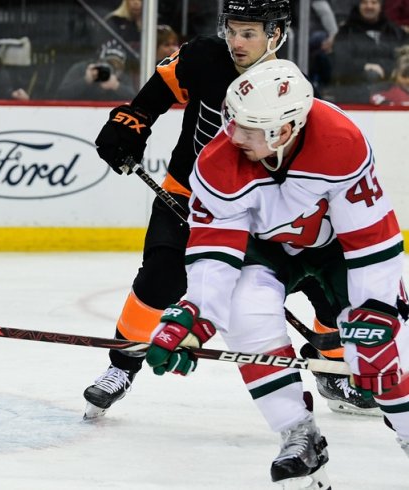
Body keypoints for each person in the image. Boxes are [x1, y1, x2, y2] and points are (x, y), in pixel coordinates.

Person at [85, 0, 378, 420]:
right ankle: (121, 366)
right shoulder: (203, 57)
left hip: (258, 209)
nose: (236, 43)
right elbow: (153, 94)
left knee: (323, 281)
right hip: (186, 194)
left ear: (276, 35)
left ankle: (331, 367)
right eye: (232, 31)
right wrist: (128, 125)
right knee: (159, 278)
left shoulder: (285, 84)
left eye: (249, 34)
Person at [144, 59, 409, 487]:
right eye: (234, 122)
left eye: (247, 128)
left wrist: (378, 308)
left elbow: (370, 236)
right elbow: (214, 251)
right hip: (266, 251)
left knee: (385, 352)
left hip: (338, 248)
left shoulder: (339, 139)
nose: (232, 135)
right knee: (245, 313)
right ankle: (297, 433)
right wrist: (197, 315)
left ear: (283, 130)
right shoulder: (217, 162)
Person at [331, 0, 405, 103]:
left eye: (374, 2)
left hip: (391, 90)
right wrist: (363, 67)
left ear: (380, 6)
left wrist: (385, 69)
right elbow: (340, 60)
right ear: (358, 6)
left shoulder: (394, 32)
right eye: (364, 3)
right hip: (353, 93)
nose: (369, 6)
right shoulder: (346, 32)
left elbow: (402, 59)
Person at [55, 41, 135, 101]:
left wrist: (117, 86)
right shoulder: (82, 69)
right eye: (108, 64)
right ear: (98, 62)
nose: (112, 69)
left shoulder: (121, 77)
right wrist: (86, 80)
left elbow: (136, 101)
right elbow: (61, 95)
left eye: (117, 66)